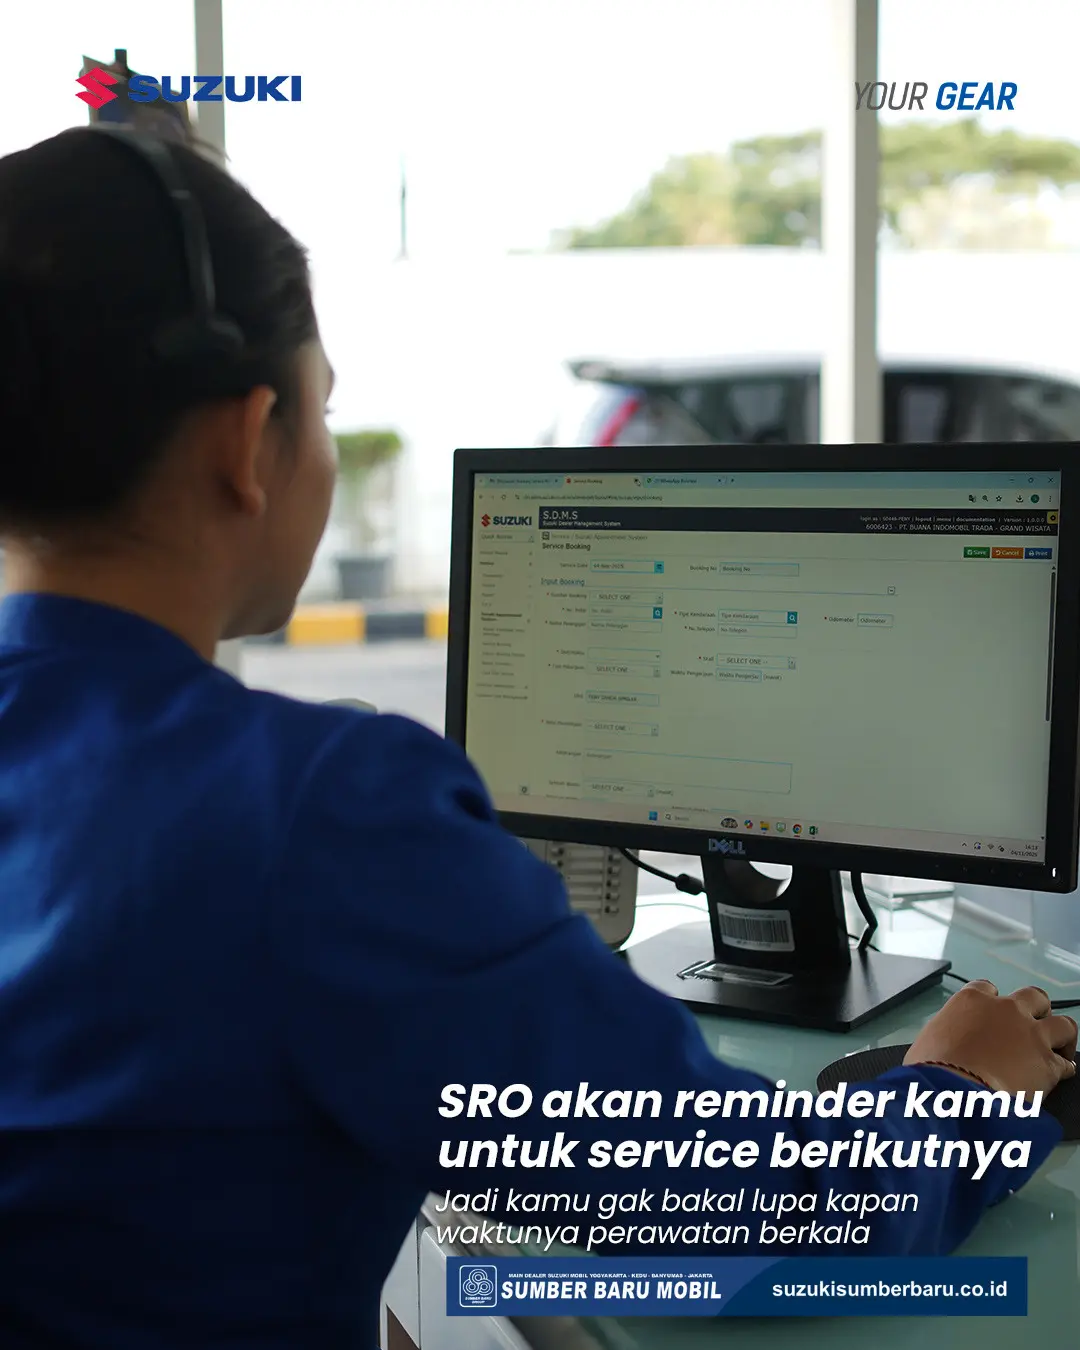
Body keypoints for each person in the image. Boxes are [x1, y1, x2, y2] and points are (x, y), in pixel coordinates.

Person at [0, 128, 1073, 1349]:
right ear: (248, 444)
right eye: (324, 411)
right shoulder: (315, 814)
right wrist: (958, 1091)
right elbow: (742, 1216)